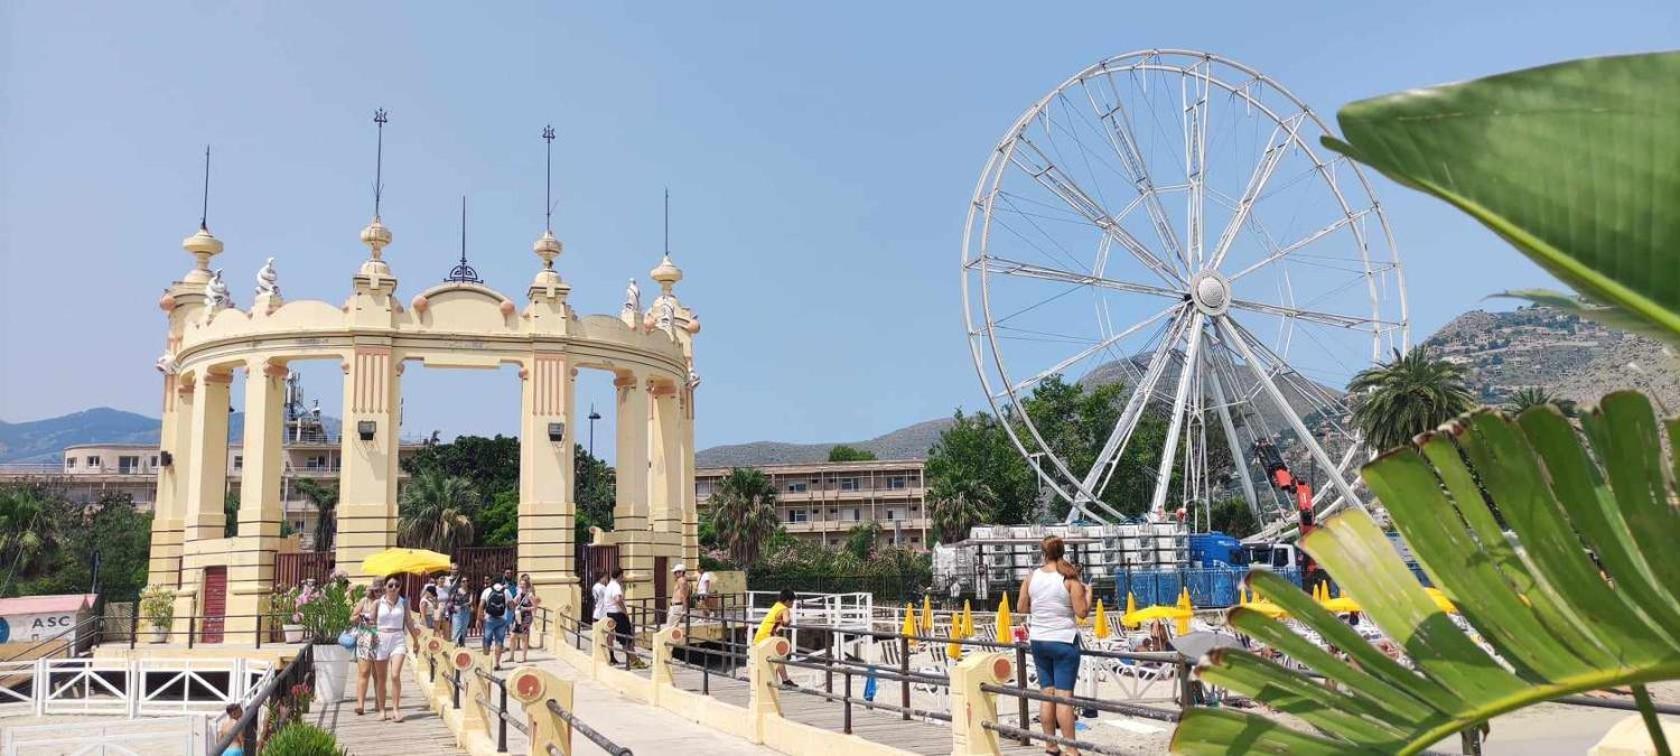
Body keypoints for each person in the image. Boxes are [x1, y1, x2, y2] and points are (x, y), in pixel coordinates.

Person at [1015, 536, 1089, 756]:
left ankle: (1050, 744)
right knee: (1064, 698)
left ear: (1043, 552)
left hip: (1039, 639)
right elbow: (1082, 612)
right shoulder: (1069, 579)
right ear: (1062, 551)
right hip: (1064, 640)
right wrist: (1089, 595)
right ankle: (1072, 749)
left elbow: (1020, 608)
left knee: (1047, 694)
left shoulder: (1031, 578)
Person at [374, 574, 416, 721]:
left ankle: (396, 709)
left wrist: (416, 640)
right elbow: (371, 622)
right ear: (384, 587)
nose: (393, 588)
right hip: (380, 638)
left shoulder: (404, 603)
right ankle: (381, 710)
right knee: (381, 678)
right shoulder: (378, 603)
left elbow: (409, 621)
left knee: (395, 675)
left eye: (397, 585)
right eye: (390, 585)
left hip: (398, 638)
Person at [753, 588, 797, 688]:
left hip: (761, 635)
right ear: (787, 601)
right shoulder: (784, 609)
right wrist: (788, 621)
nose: (793, 604)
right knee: (778, 656)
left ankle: (778, 680)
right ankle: (785, 680)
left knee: (774, 658)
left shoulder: (777, 605)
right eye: (792, 602)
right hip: (767, 636)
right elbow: (786, 621)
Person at [352, 582, 384, 716]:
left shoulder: (388, 603)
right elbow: (351, 618)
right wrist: (360, 617)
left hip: (381, 638)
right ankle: (360, 704)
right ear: (372, 590)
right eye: (376, 590)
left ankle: (378, 702)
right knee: (364, 671)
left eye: (382, 590)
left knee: (378, 674)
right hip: (365, 637)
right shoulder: (364, 601)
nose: (379, 592)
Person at [602, 568, 641, 669]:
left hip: (610, 614)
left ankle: (625, 659)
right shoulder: (615, 586)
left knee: (613, 636)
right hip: (618, 614)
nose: (623, 578)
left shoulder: (609, 585)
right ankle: (634, 661)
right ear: (619, 575)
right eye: (622, 575)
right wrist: (625, 612)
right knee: (627, 638)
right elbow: (618, 599)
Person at [481, 576, 515, 671]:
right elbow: (511, 606)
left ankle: (486, 662)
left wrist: (479, 619)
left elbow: (481, 605)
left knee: (487, 641)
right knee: (499, 642)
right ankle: (496, 664)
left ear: (493, 582)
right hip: (501, 619)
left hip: (489, 619)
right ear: (501, 582)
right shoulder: (506, 591)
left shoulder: (487, 590)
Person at [509, 573, 541, 664]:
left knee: (524, 637)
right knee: (512, 636)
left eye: (523, 584)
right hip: (518, 616)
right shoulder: (519, 593)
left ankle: (524, 657)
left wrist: (524, 608)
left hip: (526, 617)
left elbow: (534, 607)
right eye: (520, 584)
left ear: (526, 586)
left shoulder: (529, 595)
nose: (521, 585)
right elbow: (514, 602)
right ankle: (511, 656)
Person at [448, 578, 474, 647]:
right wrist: (453, 608)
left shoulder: (470, 591)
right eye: (463, 581)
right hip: (457, 611)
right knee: (457, 628)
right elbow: (451, 601)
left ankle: (462, 644)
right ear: (460, 583)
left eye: (467, 581)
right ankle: (454, 644)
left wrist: (465, 605)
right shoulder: (456, 591)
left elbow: (471, 601)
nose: (465, 582)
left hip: (466, 611)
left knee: (463, 628)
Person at [666, 563, 690, 629]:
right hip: (675, 606)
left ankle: (671, 639)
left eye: (676, 572)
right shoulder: (681, 580)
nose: (674, 574)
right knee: (671, 627)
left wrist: (684, 608)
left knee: (670, 628)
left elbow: (683, 595)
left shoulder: (681, 580)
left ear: (681, 572)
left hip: (677, 606)